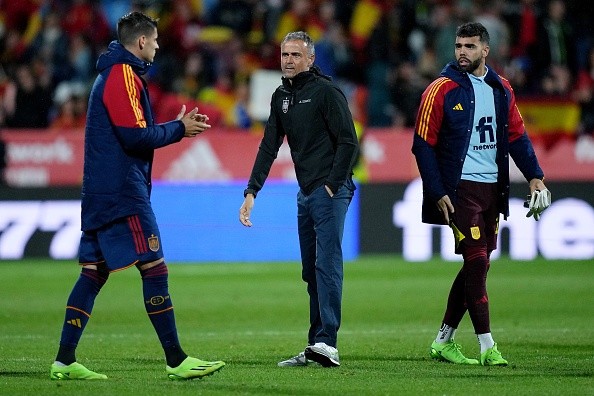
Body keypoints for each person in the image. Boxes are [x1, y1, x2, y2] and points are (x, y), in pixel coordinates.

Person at [50, 12, 225, 381]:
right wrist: (179, 129)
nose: (160, 45)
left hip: (103, 190)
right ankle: (176, 359)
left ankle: (64, 359)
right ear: (142, 41)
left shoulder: (117, 74)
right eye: (156, 39)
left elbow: (134, 133)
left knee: (93, 273)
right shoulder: (122, 76)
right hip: (120, 193)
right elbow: (135, 137)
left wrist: (173, 128)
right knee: (154, 267)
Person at [412, 22, 549, 366]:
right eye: (459, 45)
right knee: (475, 260)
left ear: (485, 51)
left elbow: (517, 135)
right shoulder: (440, 90)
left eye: (470, 47)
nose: (462, 52)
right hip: (459, 191)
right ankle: (488, 346)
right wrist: (436, 190)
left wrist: (535, 176)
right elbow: (422, 145)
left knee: (479, 263)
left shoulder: (501, 88)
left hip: (493, 189)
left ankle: (444, 340)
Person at [239, 31, 359, 368]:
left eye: (295, 55)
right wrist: (251, 191)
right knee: (311, 271)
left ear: (310, 59)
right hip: (306, 194)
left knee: (327, 264)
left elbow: (349, 142)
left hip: (329, 192)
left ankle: (328, 343)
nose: (288, 61)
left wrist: (333, 186)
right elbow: (268, 146)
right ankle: (315, 345)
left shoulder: (326, 92)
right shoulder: (281, 96)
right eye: (284, 55)